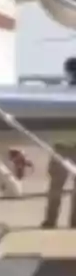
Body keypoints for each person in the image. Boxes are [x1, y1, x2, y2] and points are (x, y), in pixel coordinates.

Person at [42, 58, 76, 229]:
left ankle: (51, 221)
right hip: (62, 147)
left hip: (62, 148)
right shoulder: (60, 92)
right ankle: (68, 224)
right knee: (56, 188)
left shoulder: (59, 93)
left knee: (55, 188)